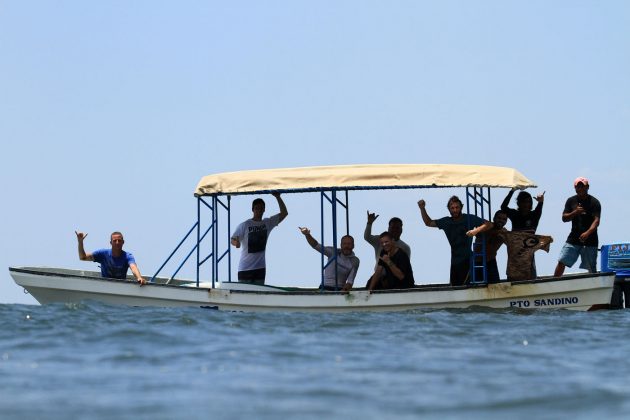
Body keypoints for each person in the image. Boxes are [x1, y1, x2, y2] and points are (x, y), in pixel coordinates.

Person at [418, 196, 492, 286]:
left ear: (461, 207)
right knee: (455, 288)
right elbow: (428, 222)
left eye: (457, 207)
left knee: (466, 287)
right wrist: (422, 208)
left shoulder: (469, 218)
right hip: (455, 262)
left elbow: (489, 224)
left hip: (467, 260)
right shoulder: (446, 221)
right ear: (449, 209)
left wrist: (475, 231)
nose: (455, 210)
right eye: (452, 208)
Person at [231, 192, 288, 285]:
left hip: (260, 268)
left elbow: (284, 213)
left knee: (258, 297)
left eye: (261, 208)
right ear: (253, 209)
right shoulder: (245, 225)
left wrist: (278, 197)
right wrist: (236, 243)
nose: (259, 210)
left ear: (264, 210)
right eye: (257, 208)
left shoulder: (267, 223)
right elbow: (233, 239)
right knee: (244, 296)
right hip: (245, 268)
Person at [554, 177, 601, 276]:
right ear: (575, 188)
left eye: (582, 186)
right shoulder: (571, 201)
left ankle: (593, 286)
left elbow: (596, 221)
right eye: (578, 187)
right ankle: (554, 282)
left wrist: (587, 233)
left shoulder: (594, 202)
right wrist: (575, 212)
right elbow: (564, 218)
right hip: (574, 238)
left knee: (591, 267)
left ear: (587, 187)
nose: (580, 189)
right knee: (562, 260)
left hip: (590, 240)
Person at [299, 227, 359, 291]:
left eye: (349, 244)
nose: (346, 246)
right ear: (341, 245)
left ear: (353, 245)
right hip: (325, 287)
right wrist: (307, 234)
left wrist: (342, 292)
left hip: (340, 289)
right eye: (344, 244)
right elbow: (316, 245)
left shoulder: (355, 261)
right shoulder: (333, 252)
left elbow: (350, 281)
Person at [501, 189, 545, 277]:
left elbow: (539, 207)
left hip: (528, 254)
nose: (526, 204)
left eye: (529, 202)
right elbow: (503, 207)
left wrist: (541, 201)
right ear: (519, 203)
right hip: (515, 253)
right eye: (523, 202)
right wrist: (512, 191)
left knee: (530, 276)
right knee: (513, 275)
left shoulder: (534, 216)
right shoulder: (514, 214)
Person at [75, 230, 145, 284]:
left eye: (119, 241)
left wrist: (139, 278)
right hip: (105, 286)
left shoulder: (128, 256)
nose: (117, 242)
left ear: (123, 242)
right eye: (114, 241)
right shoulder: (102, 253)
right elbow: (83, 257)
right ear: (111, 243)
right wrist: (80, 242)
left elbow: (133, 267)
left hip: (121, 287)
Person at [473, 210, 508, 283]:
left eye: (504, 219)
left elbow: (512, 243)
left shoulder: (504, 233)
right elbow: (476, 229)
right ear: (494, 218)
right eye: (499, 218)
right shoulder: (487, 226)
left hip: (490, 261)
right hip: (477, 261)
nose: (501, 220)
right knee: (476, 288)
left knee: (495, 287)